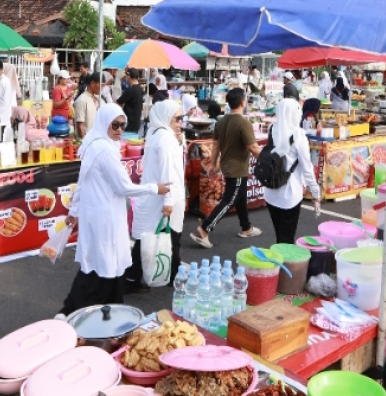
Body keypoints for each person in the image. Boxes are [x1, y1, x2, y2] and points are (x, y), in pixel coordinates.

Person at [60, 104, 170, 315]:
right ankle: (90, 313)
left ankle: (78, 310)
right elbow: (124, 187)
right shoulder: (104, 151)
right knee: (107, 265)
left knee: (97, 264)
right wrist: (155, 188)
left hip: (96, 215)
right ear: (104, 123)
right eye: (115, 125)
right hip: (106, 218)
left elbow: (81, 182)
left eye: (123, 125)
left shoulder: (93, 144)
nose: (120, 130)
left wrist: (74, 212)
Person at [126, 100, 186, 291]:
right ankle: (168, 275)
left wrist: (179, 141)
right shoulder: (165, 138)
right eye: (177, 119)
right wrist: (168, 200)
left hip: (158, 194)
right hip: (163, 195)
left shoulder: (158, 134)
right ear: (165, 117)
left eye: (181, 118)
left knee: (154, 236)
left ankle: (136, 277)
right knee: (165, 236)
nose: (180, 123)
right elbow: (166, 169)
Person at [191, 87, 262, 247]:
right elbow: (253, 147)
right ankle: (205, 228)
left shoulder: (221, 122)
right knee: (229, 200)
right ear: (243, 102)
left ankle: (246, 227)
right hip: (237, 168)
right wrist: (269, 160)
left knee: (240, 197)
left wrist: (214, 165)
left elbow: (215, 146)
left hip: (229, 166)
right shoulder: (243, 123)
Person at [262, 98, 321, 245]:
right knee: (287, 239)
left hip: (271, 190)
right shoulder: (299, 136)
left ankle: (278, 256)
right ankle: (282, 259)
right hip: (289, 194)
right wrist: (315, 193)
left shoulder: (272, 129)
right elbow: (307, 169)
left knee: (279, 234)